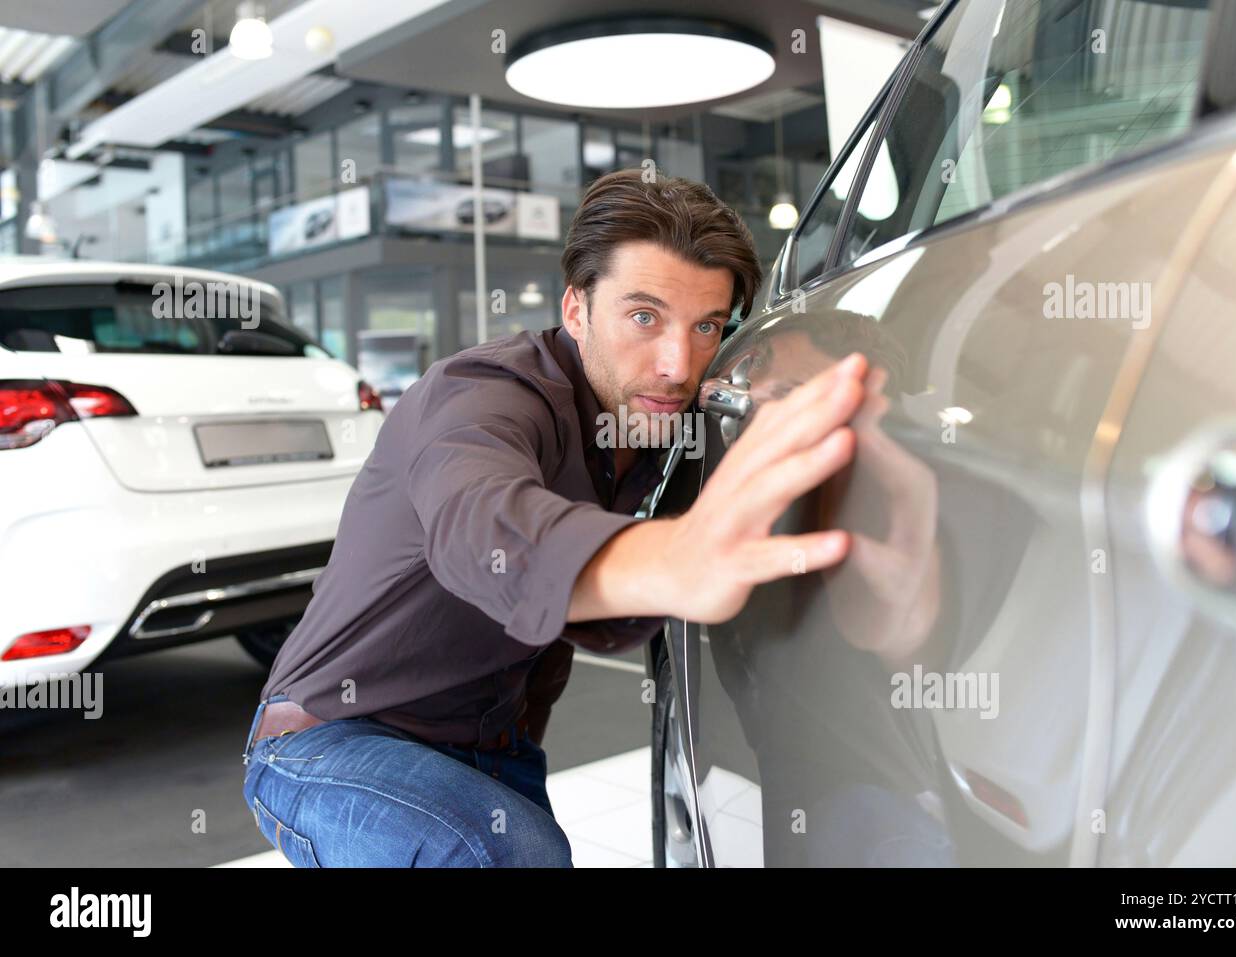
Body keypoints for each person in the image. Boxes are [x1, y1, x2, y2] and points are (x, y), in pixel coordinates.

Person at [240, 168, 874, 866]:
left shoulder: (673, 411)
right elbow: (477, 519)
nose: (677, 362)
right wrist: (677, 556)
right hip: (332, 737)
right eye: (643, 316)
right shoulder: (483, 393)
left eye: (706, 326)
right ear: (576, 310)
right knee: (500, 853)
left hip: (495, 748)